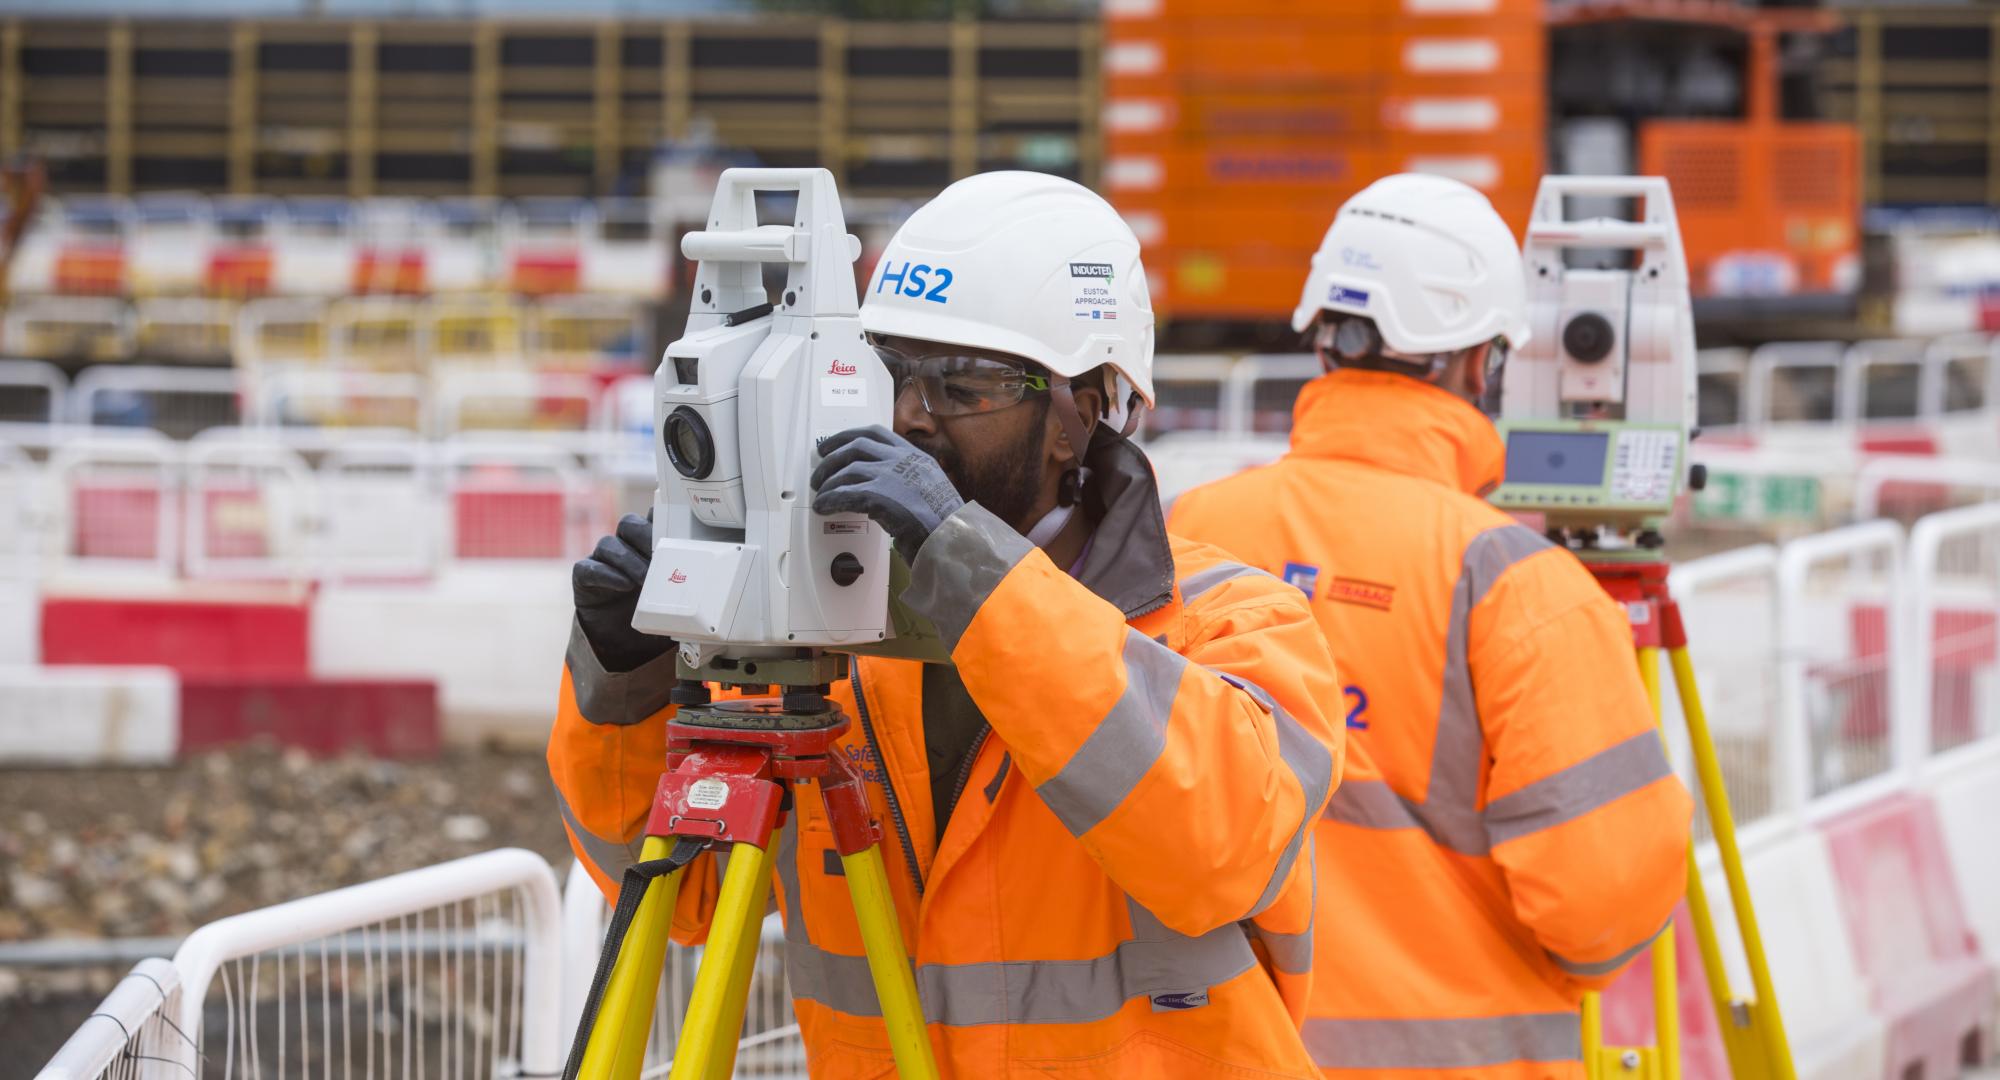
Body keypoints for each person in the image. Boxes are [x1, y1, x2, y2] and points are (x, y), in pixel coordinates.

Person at [551, 171, 1343, 1076]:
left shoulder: (1228, 622)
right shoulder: (832, 635)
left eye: (962, 387)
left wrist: (960, 561)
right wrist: (625, 679)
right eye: (889, 373)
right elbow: (677, 895)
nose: (908, 417)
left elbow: (1219, 852)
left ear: (1077, 415)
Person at [1168, 174, 1693, 1078]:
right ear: (1481, 362)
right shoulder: (1514, 582)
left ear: (1324, 337)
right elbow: (1599, 904)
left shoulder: (1186, 531)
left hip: (1219, 1053)